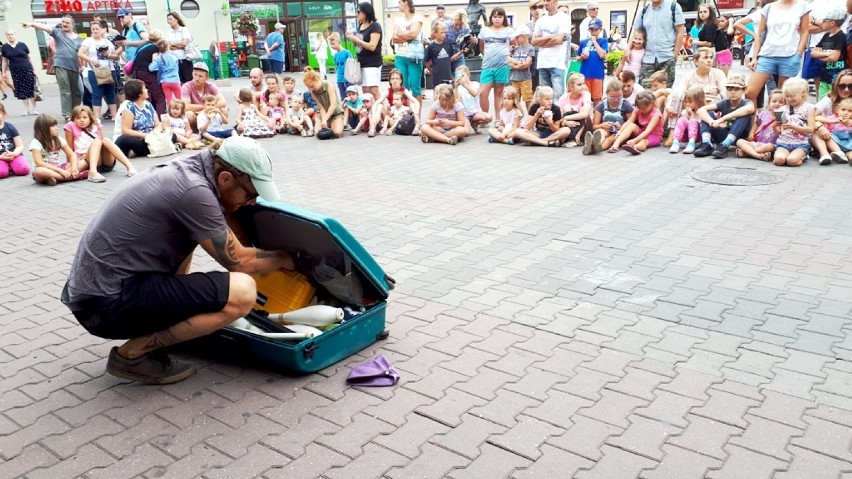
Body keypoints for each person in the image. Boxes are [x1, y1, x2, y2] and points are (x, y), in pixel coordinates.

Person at [61, 136, 292, 384]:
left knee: (190, 244)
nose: (252, 202)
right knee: (242, 292)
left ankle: (169, 330)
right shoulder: (193, 191)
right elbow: (241, 262)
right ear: (225, 178)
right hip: (106, 306)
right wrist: (286, 258)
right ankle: (133, 355)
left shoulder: (190, 169)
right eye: (251, 194)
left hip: (93, 295)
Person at [745, 0, 810, 109]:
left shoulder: (803, 5)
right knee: (750, 92)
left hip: (789, 55)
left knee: (783, 98)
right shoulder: (769, 7)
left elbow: (805, 31)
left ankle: (779, 124)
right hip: (767, 54)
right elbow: (759, 33)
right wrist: (755, 57)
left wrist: (799, 53)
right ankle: (754, 124)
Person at [22, 16, 82, 121]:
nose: (64, 24)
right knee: (65, 89)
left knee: (77, 91)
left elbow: (81, 53)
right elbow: (44, 27)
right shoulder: (58, 32)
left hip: (74, 66)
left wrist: (82, 66)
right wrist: (32, 24)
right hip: (60, 65)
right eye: (63, 22)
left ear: (72, 24)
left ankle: (75, 112)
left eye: (67, 22)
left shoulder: (79, 38)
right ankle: (67, 114)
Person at [64, 105, 136, 183]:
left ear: (90, 118)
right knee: (97, 141)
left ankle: (130, 167)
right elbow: (69, 148)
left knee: (105, 140)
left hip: (106, 161)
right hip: (87, 159)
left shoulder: (95, 124)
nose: (81, 120)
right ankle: (93, 172)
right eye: (78, 118)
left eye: (84, 117)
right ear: (73, 119)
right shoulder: (70, 126)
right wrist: (69, 162)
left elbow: (103, 141)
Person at [693, 73, 755, 159]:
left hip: (739, 137)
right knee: (708, 114)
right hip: (723, 133)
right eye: (729, 89)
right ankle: (707, 143)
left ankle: (725, 145)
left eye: (736, 89)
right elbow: (700, 110)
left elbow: (750, 109)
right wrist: (711, 121)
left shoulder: (746, 102)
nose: (733, 92)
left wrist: (722, 119)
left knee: (744, 116)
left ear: (744, 90)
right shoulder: (725, 102)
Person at [632, 0, 686, 88]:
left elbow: (680, 31)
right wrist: (628, 50)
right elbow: (636, 33)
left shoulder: (673, 7)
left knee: (665, 92)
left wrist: (674, 55)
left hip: (667, 57)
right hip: (648, 58)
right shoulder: (644, 11)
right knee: (645, 93)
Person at [78, 21, 121, 122]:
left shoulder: (107, 42)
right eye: (93, 29)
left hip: (109, 69)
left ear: (102, 29)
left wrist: (107, 55)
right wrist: (91, 60)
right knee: (97, 93)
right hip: (94, 70)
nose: (95, 31)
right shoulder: (88, 41)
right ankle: (97, 117)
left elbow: (116, 56)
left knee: (110, 92)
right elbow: (80, 53)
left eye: (97, 29)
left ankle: (114, 115)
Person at [115, 79, 170, 157]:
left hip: (149, 138)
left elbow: (157, 124)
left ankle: (139, 152)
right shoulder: (128, 106)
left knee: (171, 135)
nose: (147, 90)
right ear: (139, 93)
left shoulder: (148, 105)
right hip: (135, 138)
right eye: (144, 88)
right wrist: (146, 135)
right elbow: (125, 130)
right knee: (124, 140)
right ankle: (160, 148)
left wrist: (155, 133)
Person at [31, 114, 86, 185]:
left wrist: (74, 167)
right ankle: (73, 177)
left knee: (83, 163)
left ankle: (56, 179)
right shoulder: (36, 143)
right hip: (46, 169)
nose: (56, 128)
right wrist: (61, 171)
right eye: (53, 126)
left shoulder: (59, 139)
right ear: (44, 129)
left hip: (59, 167)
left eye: (56, 126)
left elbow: (72, 155)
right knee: (38, 171)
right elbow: (39, 163)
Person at [532, 0, 572, 100]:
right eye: (544, 0)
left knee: (558, 98)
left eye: (548, 0)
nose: (546, 3)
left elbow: (558, 40)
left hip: (557, 63)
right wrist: (550, 37)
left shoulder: (564, 18)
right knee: (544, 98)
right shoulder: (540, 20)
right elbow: (533, 42)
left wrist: (542, 41)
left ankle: (558, 116)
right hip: (542, 63)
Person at [477, 7, 513, 116]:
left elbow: (514, 45)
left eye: (500, 17)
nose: (497, 19)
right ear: (491, 17)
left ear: (504, 18)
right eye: (495, 16)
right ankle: (484, 116)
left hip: (503, 66)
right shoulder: (485, 30)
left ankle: (499, 118)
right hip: (487, 66)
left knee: (499, 92)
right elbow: (481, 47)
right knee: (483, 93)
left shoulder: (509, 30)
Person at [771, 77, 814, 167]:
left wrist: (793, 127)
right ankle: (781, 155)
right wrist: (774, 127)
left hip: (801, 143)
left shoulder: (809, 108)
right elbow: (779, 132)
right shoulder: (782, 109)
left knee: (791, 161)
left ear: (803, 93)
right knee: (779, 160)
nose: (790, 99)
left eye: (793, 96)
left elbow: (810, 129)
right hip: (783, 142)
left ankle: (803, 156)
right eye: (787, 96)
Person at [585, 78, 634, 155]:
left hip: (619, 133)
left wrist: (621, 127)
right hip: (606, 130)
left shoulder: (626, 104)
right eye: (613, 97)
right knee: (600, 133)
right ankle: (594, 144)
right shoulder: (601, 106)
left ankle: (594, 148)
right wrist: (602, 125)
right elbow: (594, 126)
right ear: (607, 94)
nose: (616, 100)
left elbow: (631, 122)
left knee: (611, 139)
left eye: (619, 96)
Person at [813, 70, 852, 163]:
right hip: (830, 135)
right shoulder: (829, 99)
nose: (846, 89)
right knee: (815, 128)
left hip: (849, 136)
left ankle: (845, 156)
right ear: (836, 86)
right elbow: (811, 116)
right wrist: (820, 126)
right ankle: (825, 155)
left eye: (850, 86)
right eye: (842, 86)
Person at [347, 3, 383, 101]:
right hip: (361, 63)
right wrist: (352, 39)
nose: (357, 14)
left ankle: (379, 111)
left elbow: (372, 46)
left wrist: (357, 40)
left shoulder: (375, 26)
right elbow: (359, 45)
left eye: (359, 12)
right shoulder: (361, 26)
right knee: (365, 90)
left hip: (372, 63)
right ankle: (369, 112)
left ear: (366, 13)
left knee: (374, 90)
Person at [735, 89, 783, 162]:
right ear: (769, 102)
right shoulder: (764, 114)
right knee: (739, 141)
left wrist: (776, 126)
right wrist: (751, 134)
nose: (777, 104)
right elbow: (756, 123)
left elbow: (781, 133)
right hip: (759, 143)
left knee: (769, 146)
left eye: (781, 102)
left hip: (772, 145)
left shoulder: (783, 117)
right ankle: (759, 155)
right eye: (774, 101)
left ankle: (748, 152)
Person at [810, 7, 848, 100]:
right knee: (822, 100)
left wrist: (821, 54)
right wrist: (827, 55)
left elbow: (834, 58)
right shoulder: (826, 35)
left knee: (835, 100)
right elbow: (813, 53)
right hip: (824, 75)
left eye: (824, 20)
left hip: (837, 77)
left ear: (832, 23)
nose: (822, 22)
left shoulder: (841, 36)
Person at [371, 69, 422, 137]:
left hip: (403, 117)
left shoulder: (404, 90)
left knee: (413, 104)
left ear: (401, 80)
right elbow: (376, 103)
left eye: (397, 78)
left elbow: (416, 102)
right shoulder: (388, 91)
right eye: (393, 78)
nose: (395, 81)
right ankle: (372, 128)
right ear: (390, 81)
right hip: (391, 117)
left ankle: (417, 125)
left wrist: (416, 114)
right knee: (379, 106)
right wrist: (374, 115)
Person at [393, 0, 425, 104]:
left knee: (415, 88)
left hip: (414, 56)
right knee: (403, 88)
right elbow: (394, 38)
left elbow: (413, 34)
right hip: (400, 56)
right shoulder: (398, 20)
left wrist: (401, 34)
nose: (398, 5)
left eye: (399, 2)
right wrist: (408, 35)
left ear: (405, 2)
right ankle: (406, 116)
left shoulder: (418, 18)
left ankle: (417, 118)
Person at [182, 62, 229, 132]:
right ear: (192, 73)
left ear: (207, 78)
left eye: (200, 76)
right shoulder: (186, 86)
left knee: (224, 109)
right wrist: (205, 107)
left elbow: (223, 101)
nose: (197, 78)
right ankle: (196, 132)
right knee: (189, 115)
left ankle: (216, 129)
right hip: (195, 113)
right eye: (195, 75)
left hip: (209, 111)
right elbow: (185, 106)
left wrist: (209, 108)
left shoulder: (211, 86)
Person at [130, 30, 166, 115]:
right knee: (159, 97)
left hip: (138, 72)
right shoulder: (154, 48)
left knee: (146, 95)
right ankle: (160, 118)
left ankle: (146, 115)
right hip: (147, 73)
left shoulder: (142, 45)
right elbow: (154, 64)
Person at [1, 30, 37, 115]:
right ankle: (26, 109)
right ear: (7, 36)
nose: (10, 36)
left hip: (26, 68)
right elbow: (4, 61)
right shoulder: (5, 47)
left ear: (15, 35)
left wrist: (34, 69)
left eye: (12, 34)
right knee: (21, 89)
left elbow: (29, 58)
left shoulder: (22, 45)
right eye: (8, 35)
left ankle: (34, 108)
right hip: (15, 70)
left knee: (30, 88)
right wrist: (3, 72)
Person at [304, 67, 344, 139]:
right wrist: (324, 119)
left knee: (337, 133)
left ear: (316, 79)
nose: (311, 89)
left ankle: (335, 123)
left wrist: (325, 120)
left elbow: (333, 105)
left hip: (335, 113)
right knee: (318, 133)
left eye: (312, 86)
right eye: (309, 87)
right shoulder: (313, 91)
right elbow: (321, 108)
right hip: (323, 113)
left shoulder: (328, 85)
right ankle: (327, 124)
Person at [577, 18, 608, 104]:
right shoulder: (584, 42)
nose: (593, 31)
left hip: (597, 74)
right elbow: (578, 58)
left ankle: (596, 116)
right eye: (591, 29)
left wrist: (594, 41)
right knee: (584, 97)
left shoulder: (603, 41)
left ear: (600, 29)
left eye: (596, 29)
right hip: (585, 74)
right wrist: (582, 57)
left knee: (596, 98)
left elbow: (602, 55)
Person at [558, 73, 593, 147]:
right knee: (567, 107)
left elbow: (585, 114)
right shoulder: (564, 97)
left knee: (583, 109)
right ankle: (570, 138)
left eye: (583, 84)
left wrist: (566, 118)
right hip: (569, 125)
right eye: (579, 85)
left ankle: (576, 138)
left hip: (585, 127)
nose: (583, 87)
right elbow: (558, 118)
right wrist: (565, 122)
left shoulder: (586, 94)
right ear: (571, 86)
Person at [694, 5, 731, 77]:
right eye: (700, 12)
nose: (702, 14)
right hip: (716, 54)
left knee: (720, 80)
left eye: (705, 12)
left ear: (710, 13)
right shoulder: (708, 25)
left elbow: (709, 43)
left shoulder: (709, 25)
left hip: (721, 54)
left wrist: (695, 42)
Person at [455, 65, 492, 133]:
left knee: (488, 117)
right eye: (459, 76)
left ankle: (474, 124)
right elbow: (457, 101)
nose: (461, 78)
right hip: (465, 114)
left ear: (468, 74)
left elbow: (474, 93)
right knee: (466, 132)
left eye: (462, 75)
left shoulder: (475, 84)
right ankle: (468, 124)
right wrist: (456, 87)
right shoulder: (459, 88)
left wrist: (465, 85)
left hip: (475, 112)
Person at [668, 86, 705, 154]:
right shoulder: (685, 112)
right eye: (686, 102)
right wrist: (687, 116)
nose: (687, 104)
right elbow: (682, 125)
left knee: (693, 121)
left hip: (697, 138)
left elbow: (702, 126)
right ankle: (675, 142)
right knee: (681, 120)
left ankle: (691, 144)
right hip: (685, 137)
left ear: (699, 102)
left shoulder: (702, 112)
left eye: (690, 102)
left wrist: (692, 117)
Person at [425, 21, 459, 88]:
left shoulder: (448, 45)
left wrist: (461, 52)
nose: (444, 35)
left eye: (445, 33)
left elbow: (451, 58)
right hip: (437, 79)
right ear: (435, 33)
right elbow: (426, 61)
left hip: (448, 77)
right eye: (441, 33)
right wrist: (431, 71)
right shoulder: (431, 46)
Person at [508, 26, 535, 109]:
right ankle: (517, 119)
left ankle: (530, 118)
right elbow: (508, 62)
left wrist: (515, 66)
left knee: (528, 99)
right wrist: (508, 51)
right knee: (515, 100)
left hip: (525, 79)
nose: (515, 39)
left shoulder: (530, 48)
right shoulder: (514, 49)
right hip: (514, 78)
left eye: (517, 37)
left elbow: (527, 63)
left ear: (524, 36)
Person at [0, 104, 28, 179]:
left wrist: (14, 153)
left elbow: (19, 145)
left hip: (13, 154)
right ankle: (7, 166)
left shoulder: (10, 127)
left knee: (23, 170)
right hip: (0, 157)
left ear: (3, 113)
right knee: (1, 173)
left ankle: (12, 165)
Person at [149, 39, 181, 104]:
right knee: (179, 100)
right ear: (168, 47)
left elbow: (151, 68)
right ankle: (180, 113)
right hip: (175, 81)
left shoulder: (158, 58)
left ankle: (170, 112)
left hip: (165, 82)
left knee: (168, 101)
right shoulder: (174, 57)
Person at [166, 12, 194, 83]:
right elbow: (168, 46)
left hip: (185, 59)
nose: (169, 21)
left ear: (176, 19)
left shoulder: (184, 29)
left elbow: (184, 43)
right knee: (179, 81)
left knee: (188, 81)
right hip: (174, 60)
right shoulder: (169, 32)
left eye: (170, 19)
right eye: (168, 20)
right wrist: (179, 45)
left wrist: (173, 45)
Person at [526, 0, 544, 91]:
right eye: (534, 8)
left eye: (540, 7)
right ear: (530, 10)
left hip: (546, 55)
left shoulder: (547, 22)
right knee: (534, 84)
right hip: (533, 57)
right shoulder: (527, 26)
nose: (537, 10)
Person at [329, 33, 351, 100]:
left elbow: (351, 64)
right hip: (340, 79)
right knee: (343, 97)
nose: (332, 46)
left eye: (333, 44)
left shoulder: (346, 53)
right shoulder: (335, 55)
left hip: (348, 78)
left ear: (338, 41)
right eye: (331, 45)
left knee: (351, 95)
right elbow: (337, 65)